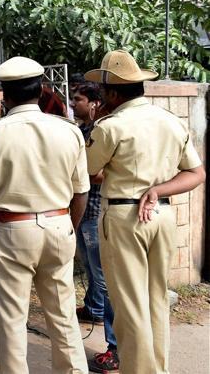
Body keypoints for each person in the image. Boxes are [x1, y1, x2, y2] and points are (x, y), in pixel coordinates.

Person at [0, 56, 90, 374]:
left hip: (13, 230)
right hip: (60, 225)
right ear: (41, 90)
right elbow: (82, 191)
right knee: (63, 315)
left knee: (13, 318)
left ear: (5, 96)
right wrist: (68, 227)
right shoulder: (70, 131)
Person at [84, 50, 205, 374]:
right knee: (155, 301)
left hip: (124, 218)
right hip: (161, 216)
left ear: (111, 93)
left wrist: (113, 171)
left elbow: (88, 171)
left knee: (128, 305)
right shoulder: (170, 121)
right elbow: (196, 173)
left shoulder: (110, 126)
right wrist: (157, 189)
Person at [68, 81, 119, 372]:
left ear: (95, 103)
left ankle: (115, 347)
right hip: (85, 209)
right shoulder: (84, 130)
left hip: (98, 211)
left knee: (103, 279)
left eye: (78, 99)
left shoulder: (105, 131)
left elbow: (99, 173)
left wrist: (79, 173)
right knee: (90, 267)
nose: (73, 104)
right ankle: (93, 309)